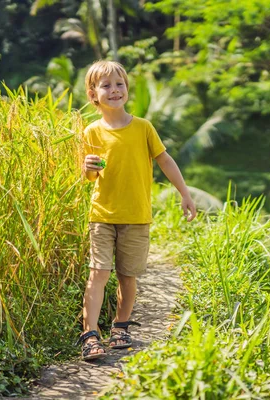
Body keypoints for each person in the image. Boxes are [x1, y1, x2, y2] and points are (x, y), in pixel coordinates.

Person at [78, 60, 197, 360]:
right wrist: (87, 168)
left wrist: (184, 193)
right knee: (98, 272)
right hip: (102, 214)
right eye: (106, 86)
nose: (114, 90)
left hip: (136, 216)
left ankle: (120, 326)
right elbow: (91, 175)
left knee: (127, 276)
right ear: (94, 95)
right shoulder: (92, 131)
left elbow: (165, 160)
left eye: (119, 84)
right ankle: (90, 333)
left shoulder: (143, 127)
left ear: (127, 89)